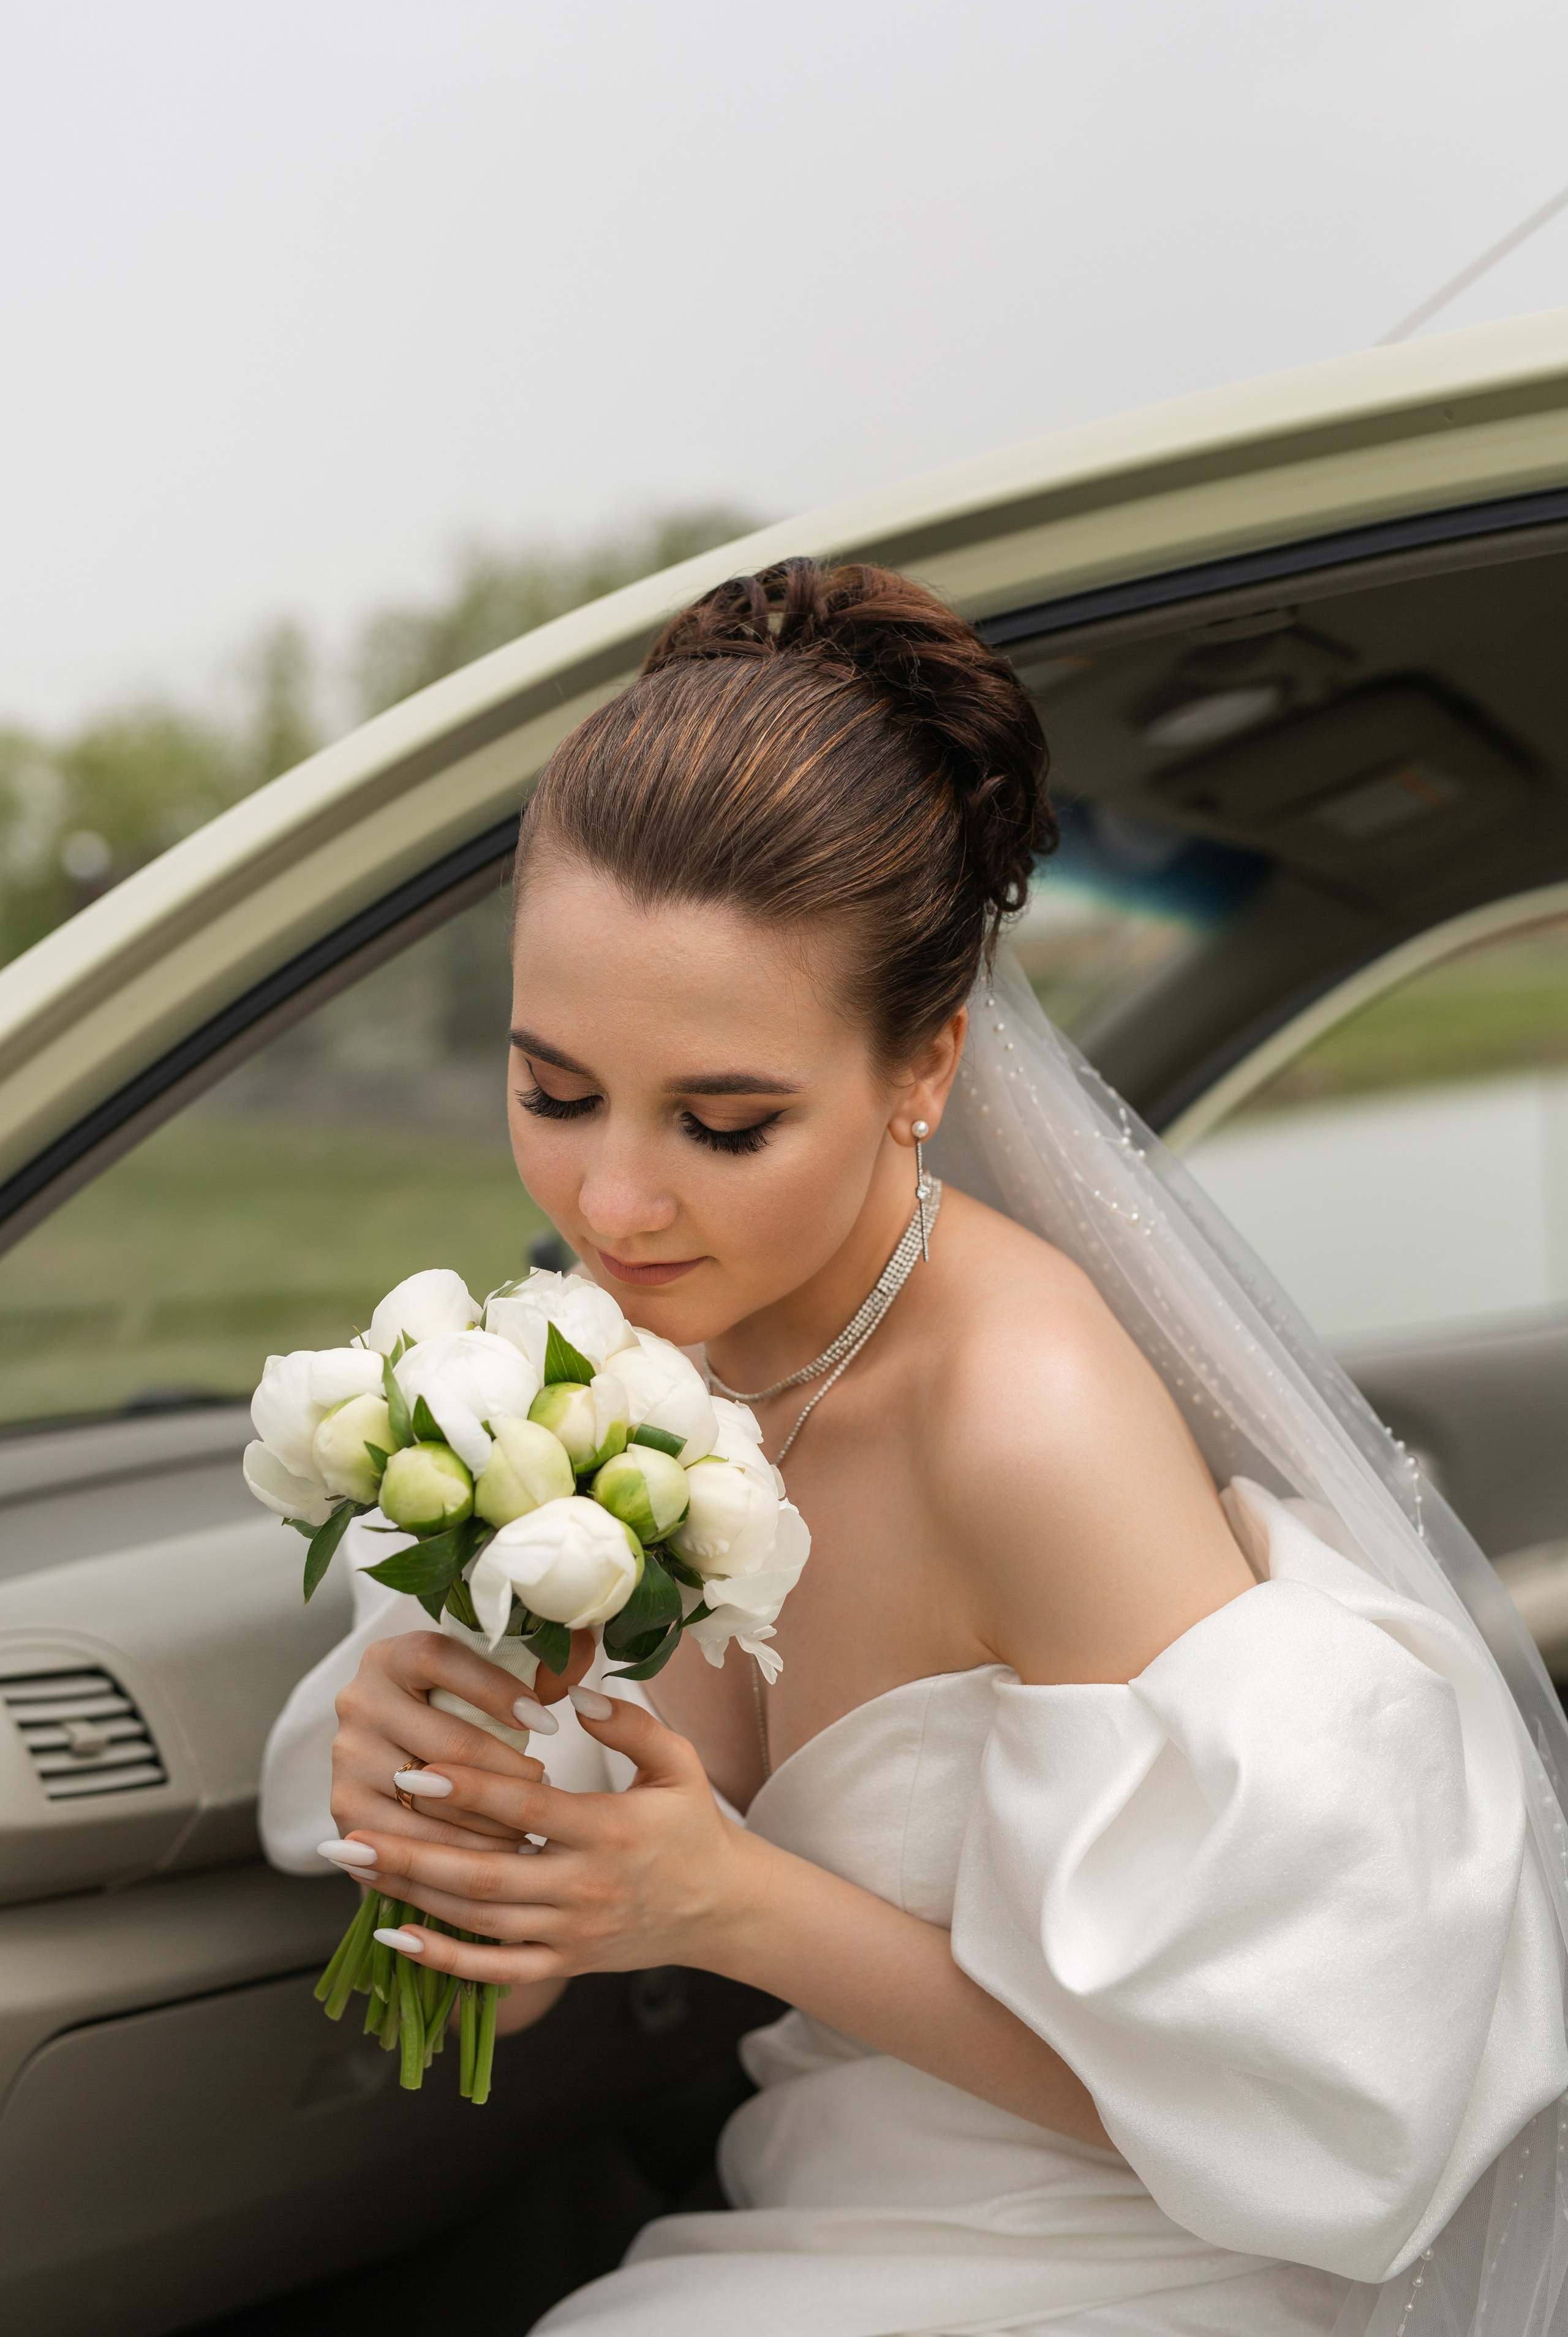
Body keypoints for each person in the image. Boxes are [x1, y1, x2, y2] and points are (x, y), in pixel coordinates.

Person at [262, 559, 1568, 2336]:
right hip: (808, 2218)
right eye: (554, 1092)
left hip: (1132, 2263)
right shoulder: (597, 1347)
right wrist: (450, 1813)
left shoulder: (1020, 1419)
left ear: (927, 1064)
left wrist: (731, 1910)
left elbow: (1307, 2126)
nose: (612, 1204)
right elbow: (516, 1988)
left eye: (725, 1124)